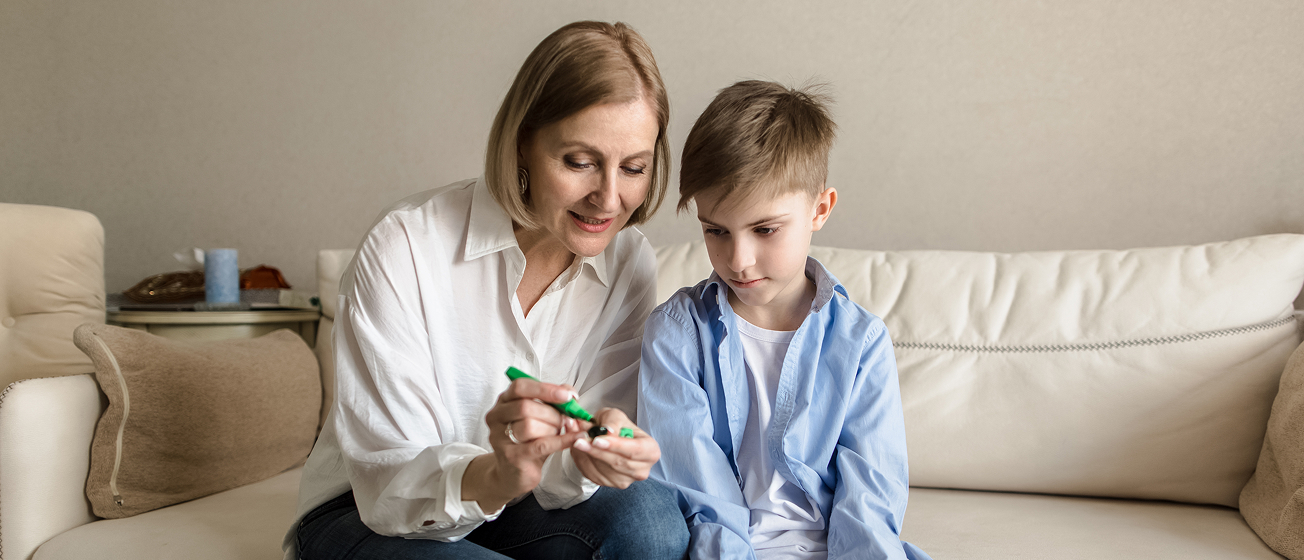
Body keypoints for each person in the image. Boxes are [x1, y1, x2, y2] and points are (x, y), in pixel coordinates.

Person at [287, 21, 689, 560]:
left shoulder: (628, 261)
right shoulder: (406, 244)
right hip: (370, 512)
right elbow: (387, 488)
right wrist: (498, 473)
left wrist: (597, 454)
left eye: (634, 168)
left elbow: (570, 464)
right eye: (580, 162)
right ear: (523, 143)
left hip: (518, 505)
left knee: (654, 522)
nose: (610, 199)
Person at [637, 80, 930, 560]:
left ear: (820, 209)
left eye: (765, 229)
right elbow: (694, 492)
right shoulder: (675, 334)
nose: (739, 260)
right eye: (716, 231)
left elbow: (870, 497)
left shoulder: (861, 343)